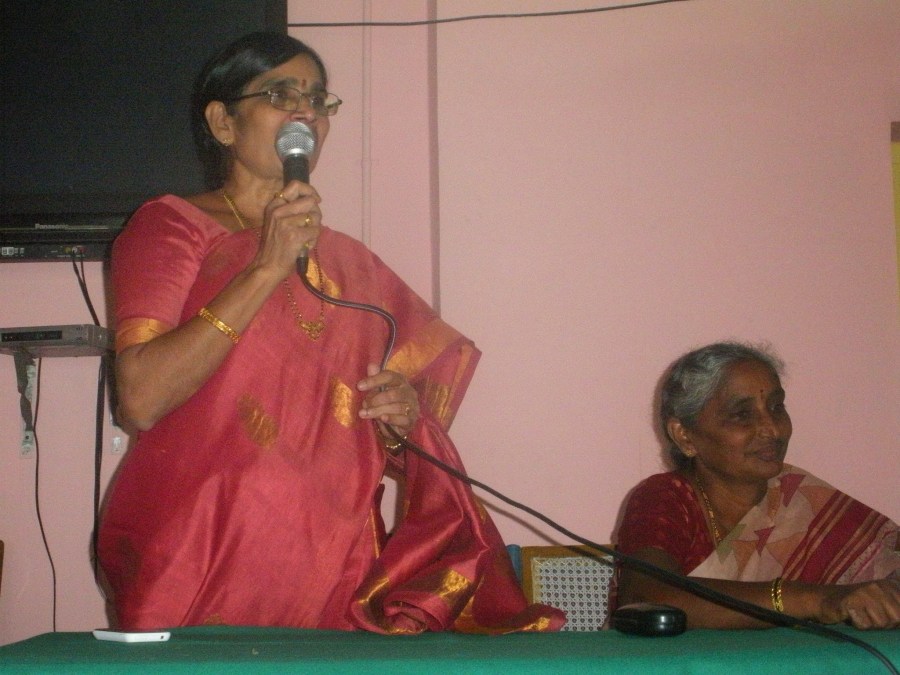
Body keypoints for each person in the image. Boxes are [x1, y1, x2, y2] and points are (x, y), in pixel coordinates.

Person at [98, 31, 564, 634]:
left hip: (332, 556)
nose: (305, 113)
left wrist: (401, 418)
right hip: (194, 548)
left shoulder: (350, 265)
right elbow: (140, 398)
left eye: (318, 100)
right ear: (222, 122)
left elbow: (378, 419)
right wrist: (266, 267)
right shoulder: (172, 227)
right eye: (280, 94)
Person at [615, 341, 899, 629]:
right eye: (742, 414)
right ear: (684, 436)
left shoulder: (805, 500)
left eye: (776, 407)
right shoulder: (665, 498)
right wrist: (815, 600)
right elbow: (645, 597)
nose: (772, 429)